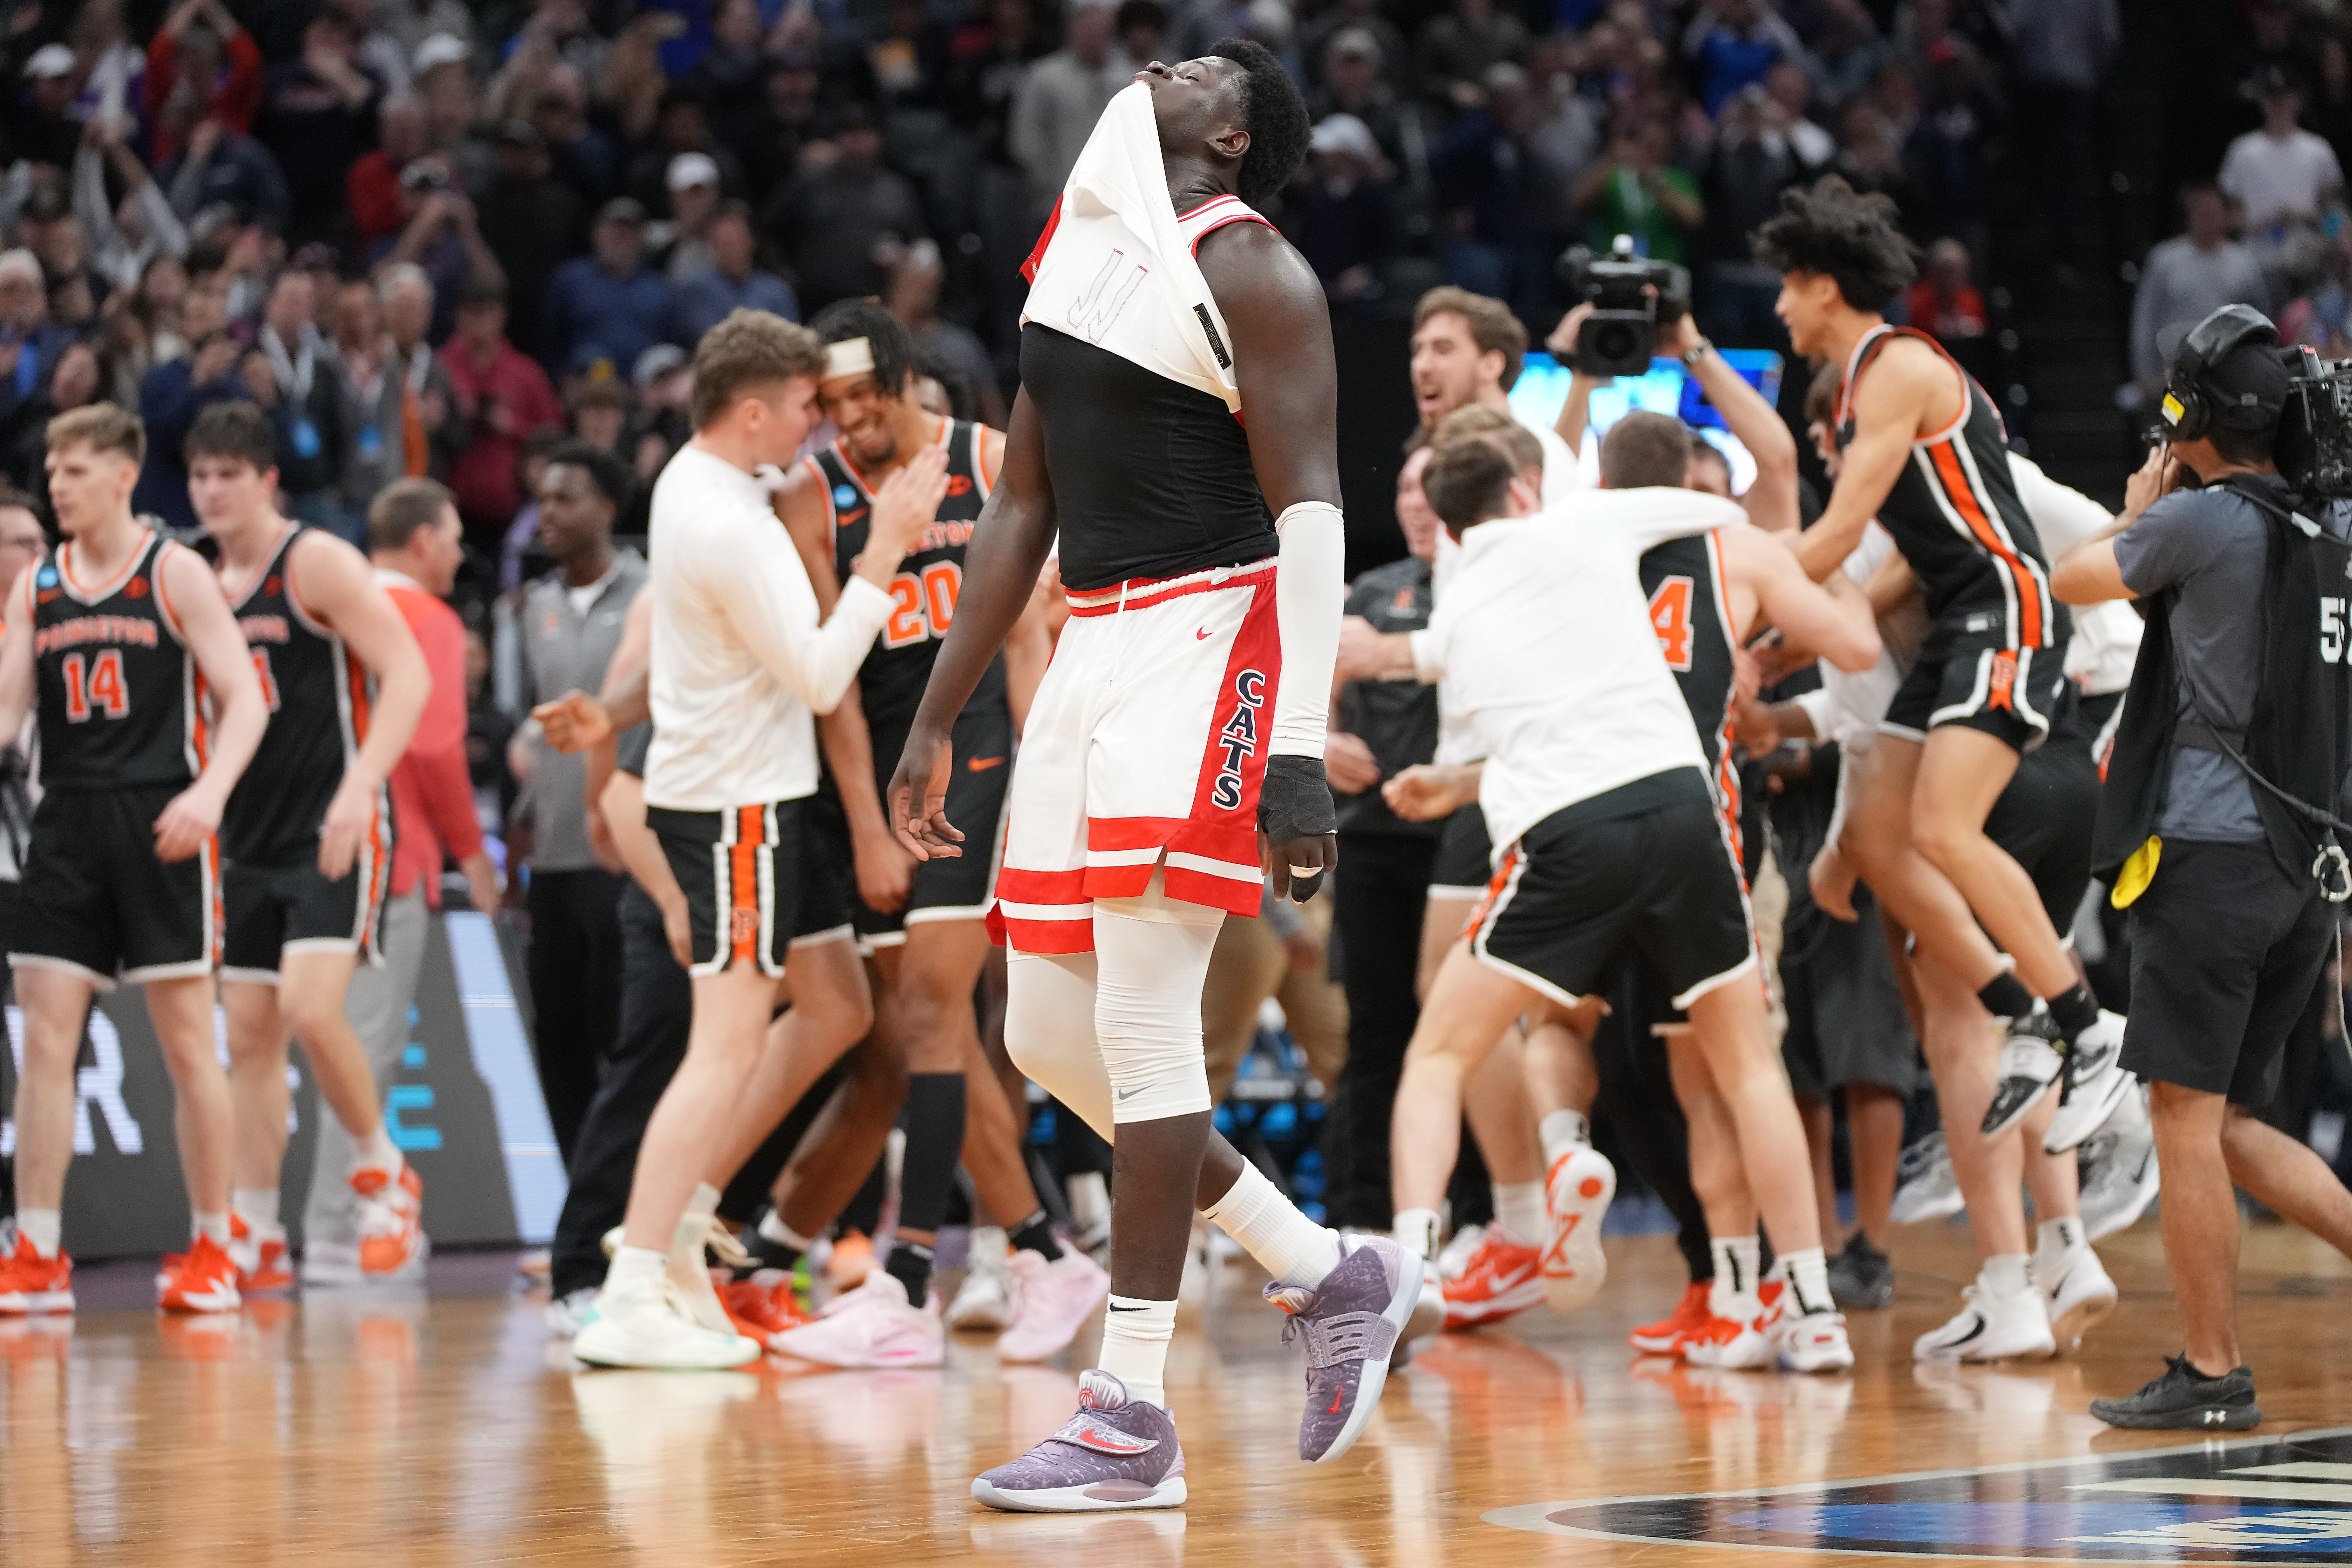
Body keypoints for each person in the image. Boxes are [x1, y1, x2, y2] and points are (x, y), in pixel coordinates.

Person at [892, 50, 1415, 1509]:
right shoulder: (1073, 251)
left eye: (1198, 68)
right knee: (1047, 1035)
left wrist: (1295, 744)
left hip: (1214, 633)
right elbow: (1021, 504)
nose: (1159, 63)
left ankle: (1128, 1412)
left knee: (1138, 1022)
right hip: (1091, 642)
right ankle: (1321, 1267)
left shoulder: (1253, 268)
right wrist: (936, 714)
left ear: (1229, 134)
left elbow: (1314, 517)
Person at [1369, 414, 1875, 1374]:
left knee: (1490, 1037)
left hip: (1570, 829)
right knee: (1740, 1073)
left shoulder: (1504, 581)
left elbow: (1494, 702)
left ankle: (1489, 1212)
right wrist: (1814, 548)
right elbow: (1841, 628)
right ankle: (1803, 1305)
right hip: (1695, 813)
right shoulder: (1655, 535)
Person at [568, 310, 934, 1370]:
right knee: (724, 1043)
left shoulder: (699, 481)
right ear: (754, 412)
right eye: (807, 407)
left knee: (837, 1004)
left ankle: (681, 1236)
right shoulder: (731, 523)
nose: (819, 424)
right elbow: (820, 674)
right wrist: (886, 551)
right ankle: (635, 1280)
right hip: (737, 808)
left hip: (748, 794)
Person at [763, 300, 1103, 1368]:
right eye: (832, 406)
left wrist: (1048, 785)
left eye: (864, 399)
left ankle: (910, 1281)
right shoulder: (811, 495)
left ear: (905, 379)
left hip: (978, 761)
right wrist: (867, 828)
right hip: (871, 777)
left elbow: (1025, 641)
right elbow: (832, 693)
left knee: (930, 1014)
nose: (849, 421)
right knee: (928, 1034)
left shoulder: (990, 457)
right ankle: (1043, 1252)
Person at [1765, 176, 2118, 1132]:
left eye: (1788, 285)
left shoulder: (1899, 368)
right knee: (1876, 838)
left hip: (2004, 611)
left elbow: (1838, 536)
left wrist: (1735, 588)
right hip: (1958, 616)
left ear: (1825, 284)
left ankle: (2087, 1031)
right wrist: (1779, 640)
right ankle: (2023, 1010)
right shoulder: (1863, 388)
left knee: (1946, 830)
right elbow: (1895, 559)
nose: (1780, 305)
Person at [2053, 304, 2352, 1430]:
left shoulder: (2201, 522)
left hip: (2213, 860)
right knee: (2221, 1120)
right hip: (2303, 869)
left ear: (2189, 418)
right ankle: (2212, 1362)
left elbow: (2072, 579)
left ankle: (2212, 1370)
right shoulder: (2332, 531)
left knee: (2181, 1115)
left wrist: (2143, 502)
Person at [0, 404, 266, 1316]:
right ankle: (37, 1250)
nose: (58, 486)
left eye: (75, 470)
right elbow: (7, 717)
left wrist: (210, 793)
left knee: (189, 1042)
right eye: (52, 471)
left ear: (123, 475)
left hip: (163, 815)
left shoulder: (174, 571)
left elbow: (246, 699)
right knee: (45, 1040)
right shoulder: (37, 586)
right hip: (67, 819)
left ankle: (213, 1243)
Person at [188, 401, 434, 1289]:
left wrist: (361, 786)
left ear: (268, 481)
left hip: (334, 822)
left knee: (308, 1007)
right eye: (200, 476)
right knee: (251, 1037)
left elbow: (408, 673)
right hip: (244, 835)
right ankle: (256, 1231)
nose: (212, 491)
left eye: (229, 475)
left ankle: (385, 1174)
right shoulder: (197, 580)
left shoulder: (314, 561)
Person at [303, 476, 500, 1282]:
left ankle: (257, 1229)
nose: (457, 553)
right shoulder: (429, 620)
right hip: (392, 849)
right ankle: (338, 1230)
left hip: (300, 841)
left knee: (293, 1039)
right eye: (452, 538)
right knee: (365, 1045)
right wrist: (473, 854)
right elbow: (434, 746)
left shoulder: (319, 605)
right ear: (423, 542)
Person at [510, 442, 645, 1164]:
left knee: (624, 1037)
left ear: (607, 508)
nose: (548, 514)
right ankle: (577, 1202)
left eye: (565, 498)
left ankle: (631, 1198)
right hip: (555, 852)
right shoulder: (535, 606)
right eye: (543, 500)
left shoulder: (653, 593)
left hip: (627, 851)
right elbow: (537, 721)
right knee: (558, 1042)